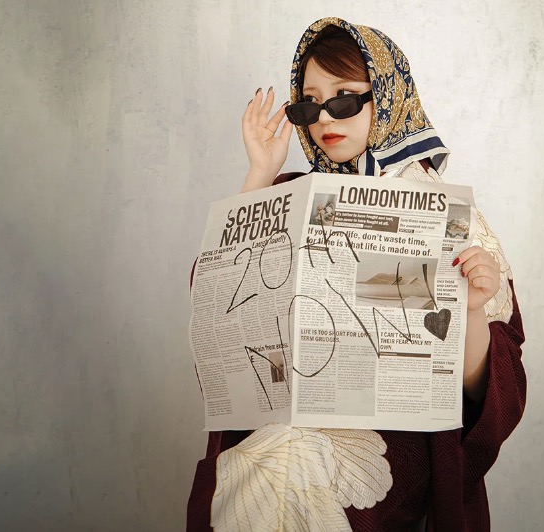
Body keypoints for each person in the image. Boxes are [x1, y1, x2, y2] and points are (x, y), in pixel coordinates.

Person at [187, 17, 526, 532]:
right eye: (308, 104)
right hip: (289, 426)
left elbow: (492, 398)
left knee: (288, 466)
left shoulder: (451, 219)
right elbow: (218, 307)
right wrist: (260, 173)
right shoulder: (290, 195)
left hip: (399, 444)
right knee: (274, 461)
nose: (325, 117)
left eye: (345, 98)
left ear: (387, 97)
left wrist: (471, 311)